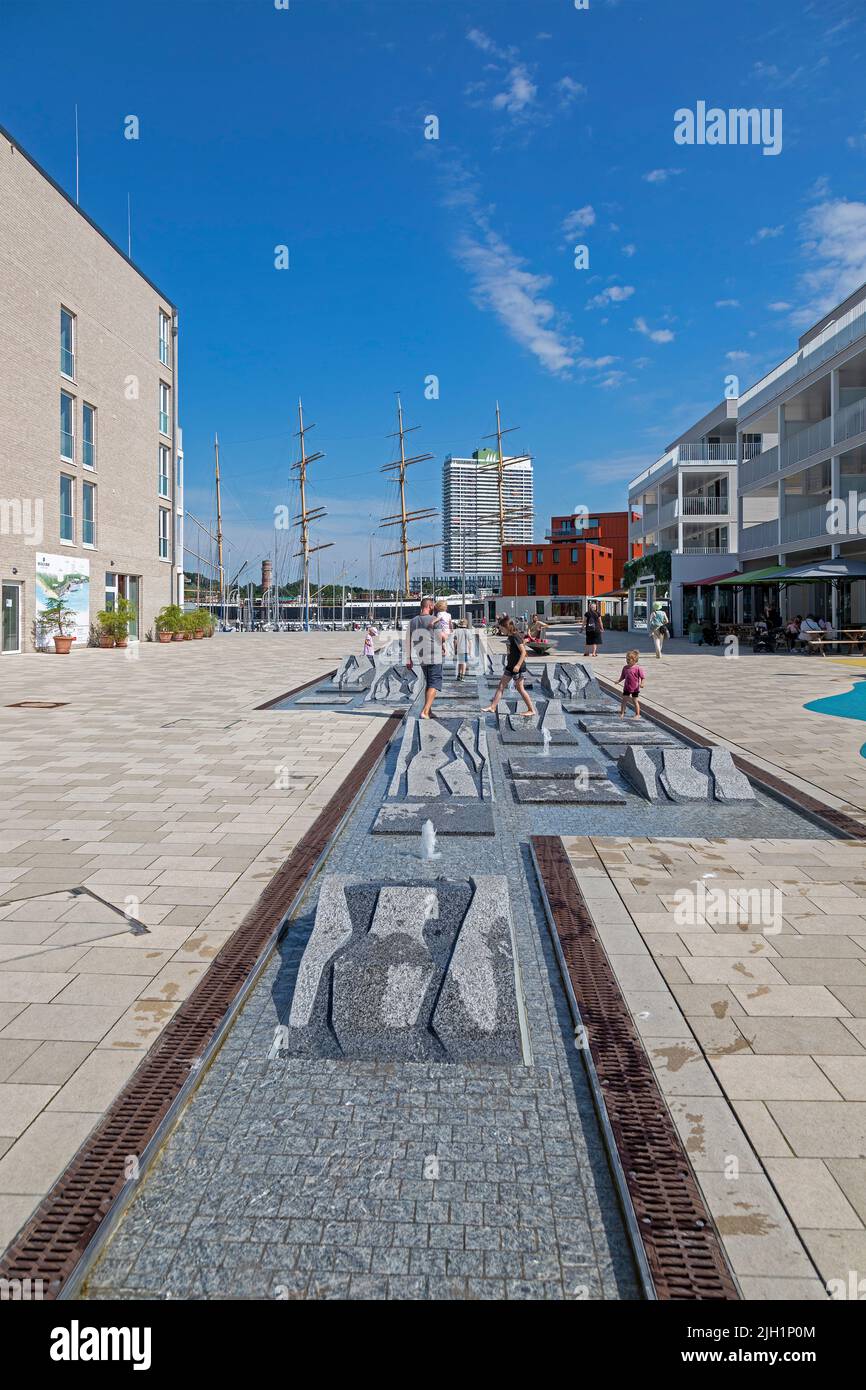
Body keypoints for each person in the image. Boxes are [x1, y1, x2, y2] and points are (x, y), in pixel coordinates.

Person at [483, 618, 536, 717]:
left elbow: (524, 652)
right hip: (510, 666)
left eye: (501, 628)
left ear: (506, 627)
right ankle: (493, 707)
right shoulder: (511, 636)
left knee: (520, 689)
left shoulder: (515, 636)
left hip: (517, 668)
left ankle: (531, 709)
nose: (500, 630)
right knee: (501, 686)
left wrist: (518, 665)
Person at [407, 597, 444, 718]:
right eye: (433, 606)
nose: (434, 608)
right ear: (429, 606)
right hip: (434, 656)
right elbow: (441, 637)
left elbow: (408, 641)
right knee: (434, 683)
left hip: (422, 657)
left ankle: (429, 710)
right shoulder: (434, 620)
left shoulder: (412, 622)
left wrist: (409, 658)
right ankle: (425, 711)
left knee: (429, 683)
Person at [617, 649, 646, 720]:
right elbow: (623, 676)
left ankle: (638, 714)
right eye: (627, 659)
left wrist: (642, 683)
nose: (627, 660)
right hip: (626, 687)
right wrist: (618, 681)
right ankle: (622, 713)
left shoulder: (638, 668)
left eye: (629, 659)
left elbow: (642, 677)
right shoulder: (625, 668)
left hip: (635, 688)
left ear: (635, 660)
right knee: (624, 700)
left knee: (635, 701)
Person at [454, 617, 472, 681]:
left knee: (459, 662)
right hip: (465, 649)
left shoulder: (456, 631)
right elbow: (470, 642)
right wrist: (470, 651)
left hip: (459, 649)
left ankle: (459, 675)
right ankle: (462, 676)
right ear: (466, 624)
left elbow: (455, 641)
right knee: (464, 663)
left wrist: (455, 649)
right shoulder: (468, 631)